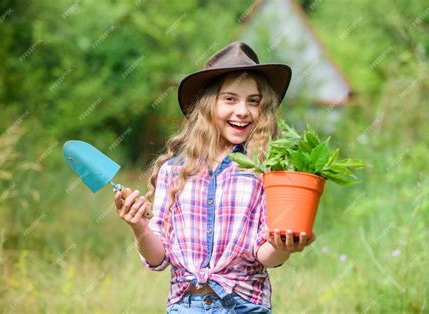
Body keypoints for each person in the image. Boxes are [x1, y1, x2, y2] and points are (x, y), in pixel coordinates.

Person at [114, 41, 317, 313]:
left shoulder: (265, 172)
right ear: (209, 106)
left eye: (253, 101)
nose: (243, 111)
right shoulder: (173, 171)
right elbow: (158, 258)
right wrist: (139, 227)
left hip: (244, 305)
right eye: (230, 99)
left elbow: (265, 256)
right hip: (186, 306)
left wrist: (285, 245)